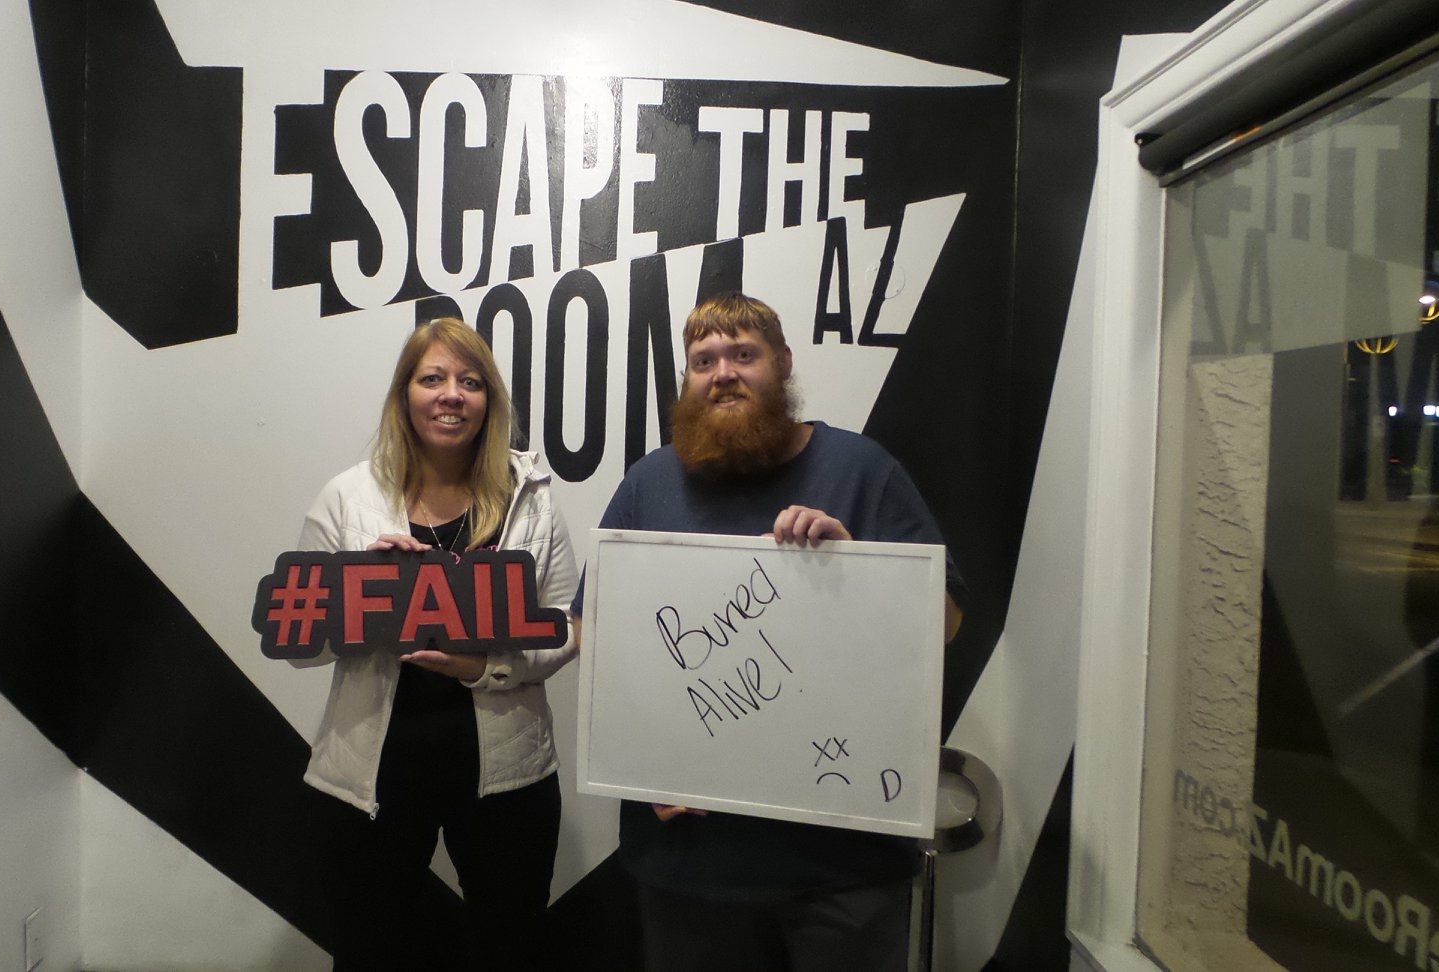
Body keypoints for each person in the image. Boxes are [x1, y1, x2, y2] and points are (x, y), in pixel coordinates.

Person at [576, 292, 965, 971]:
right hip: (688, 868)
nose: (722, 373)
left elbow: (949, 623)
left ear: (782, 364)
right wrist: (641, 760)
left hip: (843, 870)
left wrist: (859, 568)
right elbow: (595, 632)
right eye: (703, 360)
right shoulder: (649, 482)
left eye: (743, 354)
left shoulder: (861, 469)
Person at [292, 318, 577, 971]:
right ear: (405, 394)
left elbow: (565, 628)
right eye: (433, 378)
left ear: (489, 401)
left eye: (470, 382)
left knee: (511, 952)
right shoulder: (348, 497)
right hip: (368, 779)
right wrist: (359, 590)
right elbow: (302, 644)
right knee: (368, 954)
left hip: (508, 778)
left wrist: (482, 666)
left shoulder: (531, 497)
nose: (452, 394)